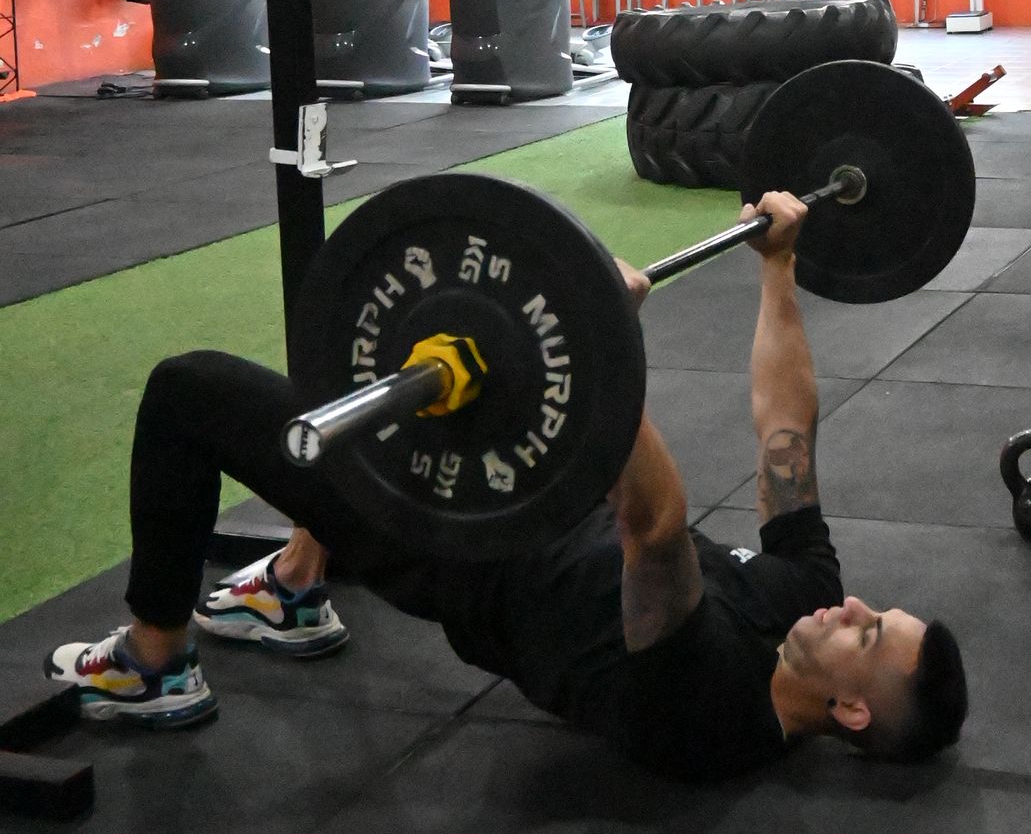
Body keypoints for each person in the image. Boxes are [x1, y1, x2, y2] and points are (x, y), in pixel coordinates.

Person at [47, 193, 969, 783]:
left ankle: (155, 664)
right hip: (527, 482)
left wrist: (601, 344)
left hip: (451, 539)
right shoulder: (807, 602)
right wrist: (778, 266)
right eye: (874, 612)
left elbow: (653, 529)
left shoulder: (711, 713)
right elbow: (786, 436)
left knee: (190, 390)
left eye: (869, 633)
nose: (853, 606)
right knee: (372, 389)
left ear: (851, 710)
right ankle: (292, 584)